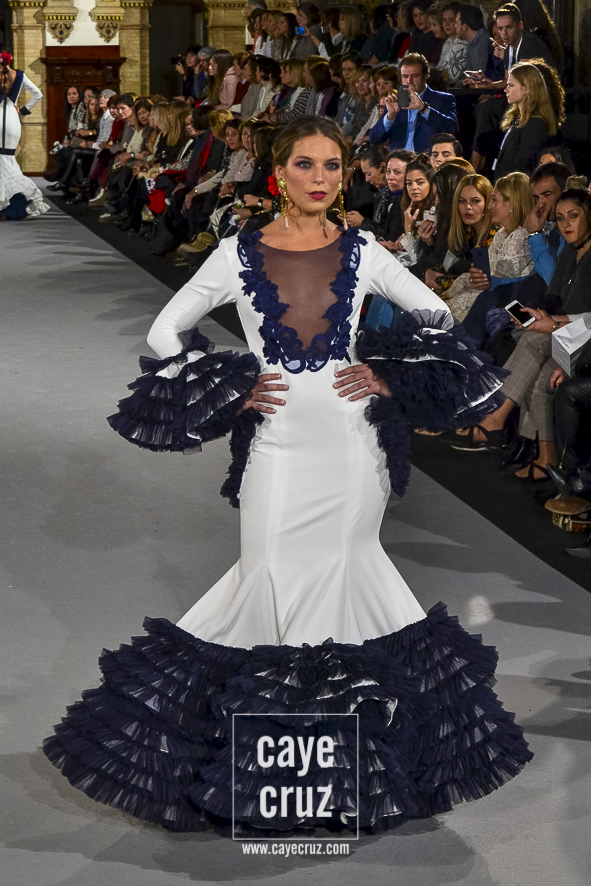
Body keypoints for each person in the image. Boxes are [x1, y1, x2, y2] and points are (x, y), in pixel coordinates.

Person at [44, 114, 532, 836]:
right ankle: (284, 772)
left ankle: (324, 777)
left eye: (332, 165)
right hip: (275, 442)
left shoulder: (363, 249)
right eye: (306, 164)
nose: (320, 178)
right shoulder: (236, 253)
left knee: (347, 577)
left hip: (351, 446)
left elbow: (435, 312)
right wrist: (232, 385)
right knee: (267, 574)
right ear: (278, 173)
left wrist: (387, 375)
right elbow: (163, 330)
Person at [457, 189, 591, 474]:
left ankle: (497, 420)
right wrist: (540, 315)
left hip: (585, 339)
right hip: (569, 332)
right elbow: (554, 294)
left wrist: (552, 323)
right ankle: (542, 456)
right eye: (561, 218)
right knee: (534, 357)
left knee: (533, 349)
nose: (566, 224)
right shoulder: (570, 251)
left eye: (574, 216)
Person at [368, 52, 458, 152]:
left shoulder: (443, 99)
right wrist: (390, 116)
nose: (409, 81)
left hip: (425, 159)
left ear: (425, 76)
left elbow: (451, 129)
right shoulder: (395, 101)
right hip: (398, 159)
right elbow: (374, 139)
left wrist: (423, 108)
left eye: (415, 76)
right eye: (405, 76)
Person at [0, 50, 48, 219]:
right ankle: (15, 205)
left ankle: (6, 206)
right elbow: (38, 94)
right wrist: (23, 110)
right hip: (12, 120)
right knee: (8, 158)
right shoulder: (19, 75)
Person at [493, 61, 557, 180]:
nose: (505, 90)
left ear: (526, 88)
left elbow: (524, 167)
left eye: (511, 85)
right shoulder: (517, 118)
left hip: (514, 187)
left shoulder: (534, 124)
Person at [437, 1, 469, 86]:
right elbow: (440, 67)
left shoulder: (462, 43)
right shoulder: (448, 41)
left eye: (451, 20)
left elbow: (453, 76)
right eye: (444, 20)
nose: (447, 24)